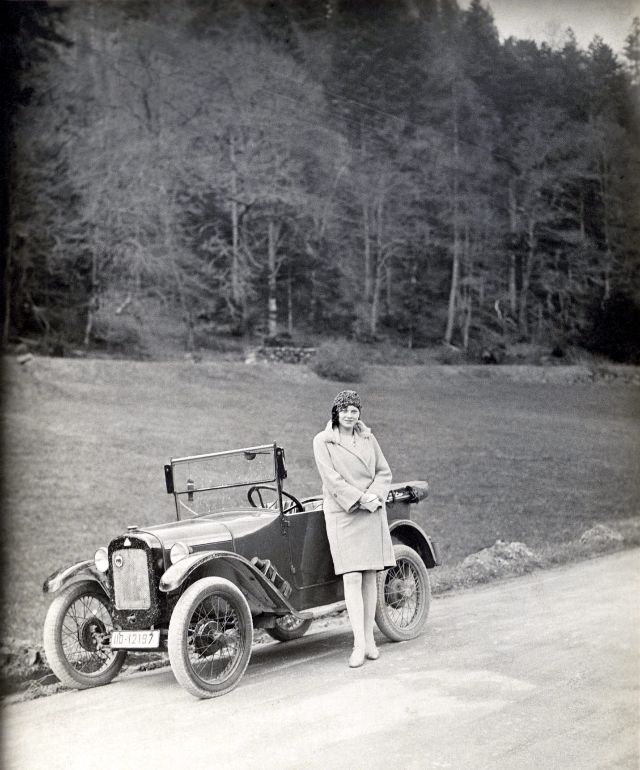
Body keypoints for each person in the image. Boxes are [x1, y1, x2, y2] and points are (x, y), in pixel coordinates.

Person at [312, 390, 395, 668]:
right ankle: (358, 643)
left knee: (370, 575)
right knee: (351, 577)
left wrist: (374, 496)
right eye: (345, 410)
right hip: (344, 512)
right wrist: (360, 499)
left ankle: (369, 640)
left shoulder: (369, 439)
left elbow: (384, 472)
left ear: (359, 414)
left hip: (371, 511)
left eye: (354, 410)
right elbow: (331, 480)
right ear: (336, 412)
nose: (349, 415)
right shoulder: (323, 440)